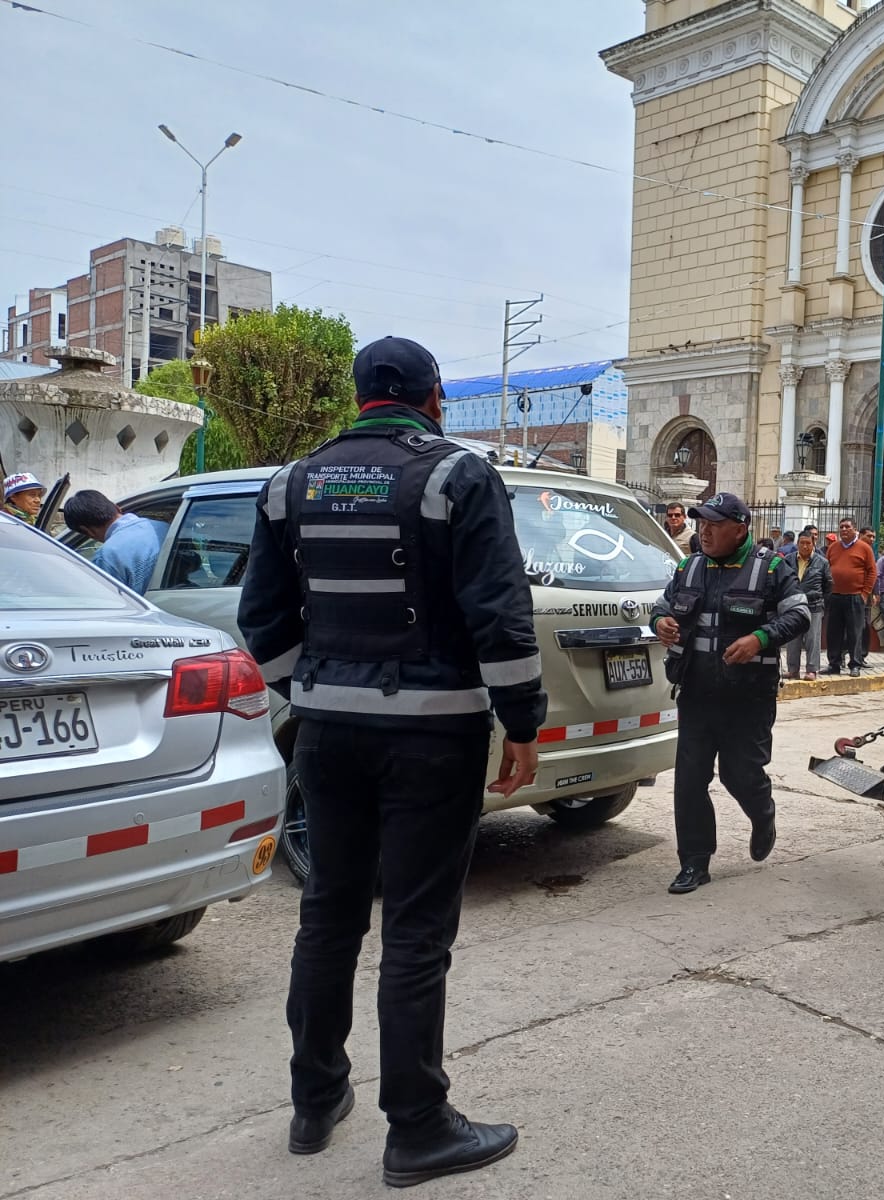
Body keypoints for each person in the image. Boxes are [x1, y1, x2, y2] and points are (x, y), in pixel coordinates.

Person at [236, 336, 544, 1187]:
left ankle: (314, 1100)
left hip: (327, 737)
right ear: (435, 397)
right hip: (433, 737)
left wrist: (317, 688)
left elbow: (260, 619)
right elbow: (499, 611)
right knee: (415, 930)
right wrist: (522, 720)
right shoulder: (457, 477)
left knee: (328, 914)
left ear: (360, 395)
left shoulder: (287, 483)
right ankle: (417, 1127)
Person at [648, 492, 809, 894]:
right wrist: (661, 623)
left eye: (714, 525)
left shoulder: (771, 567)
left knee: (740, 775)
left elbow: (800, 614)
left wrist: (759, 638)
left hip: (747, 697)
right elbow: (661, 607)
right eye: (701, 523)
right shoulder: (689, 566)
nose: (704, 531)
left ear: (740, 529)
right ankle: (695, 863)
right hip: (696, 691)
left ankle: (762, 812)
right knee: (689, 780)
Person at [61, 490, 170, 594]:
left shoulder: (107, 556)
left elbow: (108, 604)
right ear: (117, 507)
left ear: (87, 531)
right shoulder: (164, 528)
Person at [824, 516, 875, 677]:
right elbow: (826, 569)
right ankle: (834, 664)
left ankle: (855, 664)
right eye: (842, 527)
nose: (844, 530)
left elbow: (872, 571)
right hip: (835, 596)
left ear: (855, 530)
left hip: (855, 597)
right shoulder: (833, 548)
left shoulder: (864, 548)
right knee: (833, 632)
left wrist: (865, 593)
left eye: (847, 527)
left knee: (855, 632)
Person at [785, 530, 830, 680]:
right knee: (792, 639)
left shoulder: (822, 562)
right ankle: (793, 670)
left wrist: (819, 598)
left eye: (808, 543)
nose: (805, 546)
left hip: (814, 606)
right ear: (797, 544)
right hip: (793, 605)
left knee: (812, 639)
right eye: (802, 543)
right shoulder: (788, 560)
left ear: (813, 544)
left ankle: (812, 670)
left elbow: (828, 584)